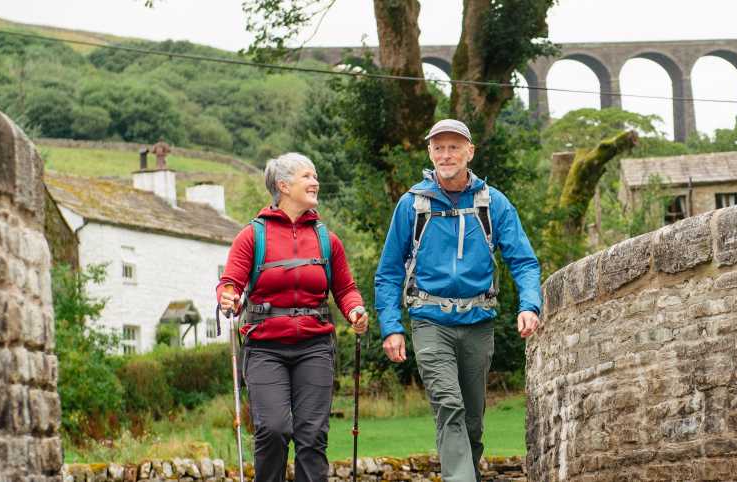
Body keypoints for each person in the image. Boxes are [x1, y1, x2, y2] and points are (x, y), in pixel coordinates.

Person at [374, 119, 542, 482]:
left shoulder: (492, 203)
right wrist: (391, 327)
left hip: (478, 322)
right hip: (430, 321)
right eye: (439, 147)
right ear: (429, 152)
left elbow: (524, 261)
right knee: (448, 407)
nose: (446, 154)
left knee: (473, 421)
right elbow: (388, 273)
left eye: (454, 147)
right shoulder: (411, 205)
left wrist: (530, 305)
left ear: (470, 152)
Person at [217, 152, 368, 482]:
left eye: (315, 176)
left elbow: (345, 289)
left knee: (312, 436)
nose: (315, 182)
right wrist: (227, 296)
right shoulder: (251, 236)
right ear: (283, 186)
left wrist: (355, 309)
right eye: (307, 176)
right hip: (265, 348)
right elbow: (230, 283)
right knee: (273, 429)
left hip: (314, 346)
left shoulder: (327, 239)